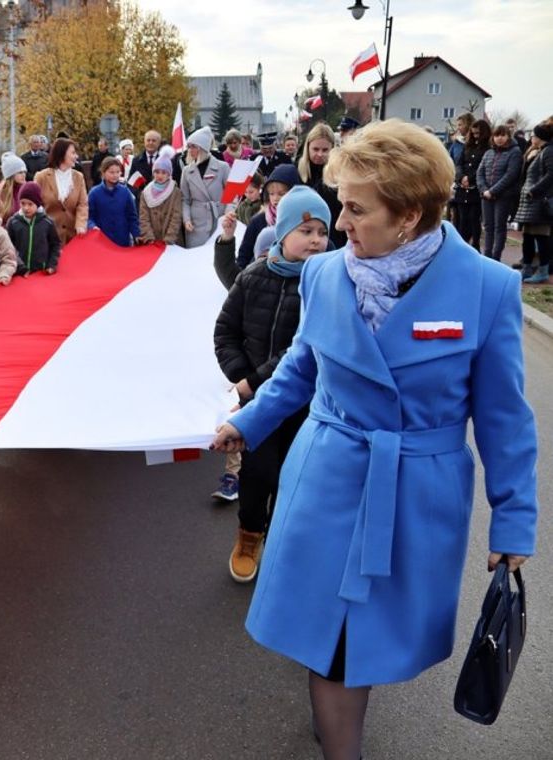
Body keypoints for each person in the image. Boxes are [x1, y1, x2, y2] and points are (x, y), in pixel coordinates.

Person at [211, 119, 538, 760]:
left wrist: (514, 522)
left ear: (410, 215)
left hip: (417, 492)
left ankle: (340, 710)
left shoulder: (487, 288)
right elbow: (300, 369)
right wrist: (245, 422)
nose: (339, 225)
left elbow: (504, 417)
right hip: (327, 477)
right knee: (330, 646)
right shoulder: (324, 275)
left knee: (368, 640)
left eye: (356, 209)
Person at [213, 186, 330, 583]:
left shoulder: (327, 284)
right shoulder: (253, 276)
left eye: (322, 232)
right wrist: (240, 376)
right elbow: (225, 331)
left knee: (295, 475)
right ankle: (249, 536)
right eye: (307, 230)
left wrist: (255, 380)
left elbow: (307, 348)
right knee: (257, 473)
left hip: (305, 404)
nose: (316, 240)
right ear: (282, 234)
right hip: (258, 404)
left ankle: (283, 542)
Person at [234, 164, 300, 270]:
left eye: (281, 194)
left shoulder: (304, 220)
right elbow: (244, 256)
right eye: (271, 193)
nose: (275, 198)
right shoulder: (258, 221)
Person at [476, 124, 523, 261]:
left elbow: (511, 175)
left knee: (499, 227)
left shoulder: (515, 152)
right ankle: (487, 256)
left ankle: (496, 257)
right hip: (486, 196)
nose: (499, 138)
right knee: (488, 226)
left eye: (503, 135)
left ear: (508, 136)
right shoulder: (488, 152)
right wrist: (484, 189)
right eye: (497, 135)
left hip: (503, 196)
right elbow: (480, 172)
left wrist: (493, 190)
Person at [515, 121, 553, 283]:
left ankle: (543, 270)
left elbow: (551, 175)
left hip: (538, 201)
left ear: (540, 137)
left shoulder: (549, 152)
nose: (531, 138)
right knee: (528, 236)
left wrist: (534, 190)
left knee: (541, 237)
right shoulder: (538, 151)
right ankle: (527, 268)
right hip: (529, 202)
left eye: (534, 135)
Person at [297, 122, 346, 249]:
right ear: (308, 148)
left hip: (334, 234)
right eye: (315, 149)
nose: (320, 154)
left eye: (325, 150)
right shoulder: (297, 170)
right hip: (305, 233)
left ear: (333, 149)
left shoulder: (341, 173)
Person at [181, 127, 230, 247]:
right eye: (189, 146)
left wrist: (229, 214)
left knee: (218, 257)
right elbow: (185, 200)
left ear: (202, 148)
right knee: (196, 258)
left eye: (193, 146)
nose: (189, 150)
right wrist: (186, 219)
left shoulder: (222, 167)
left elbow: (231, 195)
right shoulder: (187, 171)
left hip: (219, 218)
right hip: (196, 222)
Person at [34, 137, 89, 245]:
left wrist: (80, 224)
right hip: (48, 238)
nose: (76, 156)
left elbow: (82, 204)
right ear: (62, 154)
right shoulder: (41, 177)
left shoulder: (78, 177)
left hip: (73, 237)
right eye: (73, 153)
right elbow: (35, 204)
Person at [7, 181, 62, 275]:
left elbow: (55, 245)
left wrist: (51, 265)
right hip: (19, 273)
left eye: (30, 204)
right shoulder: (13, 222)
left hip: (41, 272)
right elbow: (9, 247)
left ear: (38, 204)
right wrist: (20, 267)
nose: (26, 208)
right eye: (22, 203)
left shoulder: (47, 222)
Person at [453, 118, 491, 248]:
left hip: (475, 188)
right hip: (462, 188)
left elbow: (483, 167)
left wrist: (470, 178)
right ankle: (462, 246)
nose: (476, 136)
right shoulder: (467, 147)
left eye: (478, 134)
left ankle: (475, 245)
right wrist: (461, 177)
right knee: (462, 219)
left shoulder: (487, 149)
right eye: (474, 133)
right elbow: (459, 164)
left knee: (474, 219)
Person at [87, 156, 139, 247]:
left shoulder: (125, 192)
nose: (115, 175)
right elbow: (89, 216)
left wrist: (136, 234)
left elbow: (132, 217)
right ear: (103, 173)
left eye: (118, 172)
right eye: (111, 172)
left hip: (123, 241)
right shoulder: (94, 193)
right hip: (102, 242)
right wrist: (92, 226)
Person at [138, 154, 184, 246]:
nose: (160, 175)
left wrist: (169, 239)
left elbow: (176, 217)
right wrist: (149, 237)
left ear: (169, 174)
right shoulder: (146, 192)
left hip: (172, 241)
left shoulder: (175, 191)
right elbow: (144, 217)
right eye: (157, 172)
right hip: (152, 241)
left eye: (164, 172)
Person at [0, 151, 29, 224]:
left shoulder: (28, 189)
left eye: (24, 172)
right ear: (10, 175)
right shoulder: (0, 192)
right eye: (20, 172)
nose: (24, 175)